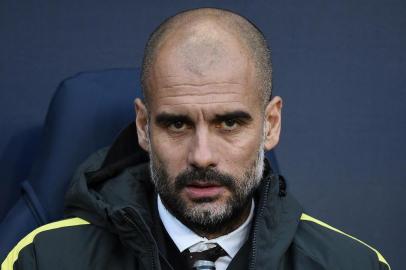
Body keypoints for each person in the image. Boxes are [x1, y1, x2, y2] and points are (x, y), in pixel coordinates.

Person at [2, 7, 390, 270]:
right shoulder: (43, 259)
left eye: (230, 123)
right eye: (176, 125)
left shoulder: (352, 263)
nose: (202, 156)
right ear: (143, 127)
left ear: (270, 125)